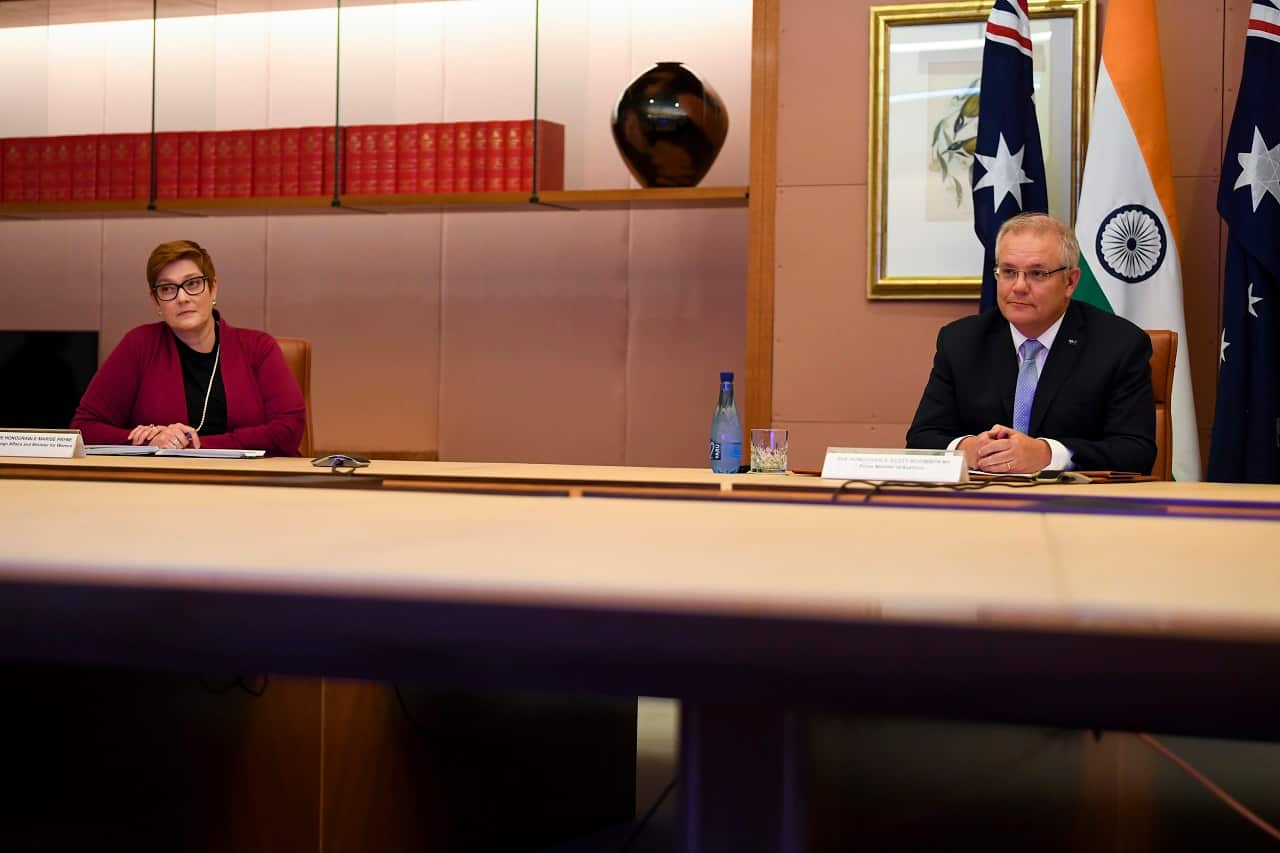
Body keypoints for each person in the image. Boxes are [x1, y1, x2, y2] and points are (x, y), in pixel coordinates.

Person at [906, 213, 1156, 474]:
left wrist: (1048, 454)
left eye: (1037, 274)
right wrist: (967, 448)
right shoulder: (961, 341)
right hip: (982, 496)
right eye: (1008, 272)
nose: (1019, 286)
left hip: (1073, 498)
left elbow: (1136, 451)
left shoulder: (1119, 345)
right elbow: (921, 439)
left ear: (1070, 281)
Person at [72, 240, 306, 457]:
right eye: (167, 288)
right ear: (156, 301)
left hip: (253, 482)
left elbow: (288, 430)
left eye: (192, 283)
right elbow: (84, 427)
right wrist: (149, 441)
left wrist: (195, 446)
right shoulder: (138, 345)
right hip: (163, 483)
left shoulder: (258, 347)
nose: (182, 298)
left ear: (213, 288)